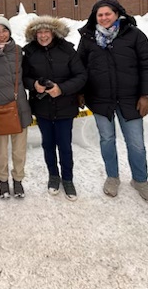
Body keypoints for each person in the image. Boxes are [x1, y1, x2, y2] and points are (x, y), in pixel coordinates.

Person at [77, 0, 148, 202]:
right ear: (95, 17)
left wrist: (147, 95)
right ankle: (112, 177)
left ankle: (140, 180)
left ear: (117, 14)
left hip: (131, 99)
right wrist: (80, 92)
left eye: (108, 14)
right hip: (100, 99)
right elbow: (80, 68)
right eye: (100, 15)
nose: (104, 18)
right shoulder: (88, 38)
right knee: (107, 139)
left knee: (136, 143)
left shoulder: (134, 35)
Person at [23, 15, 87, 200]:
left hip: (65, 106)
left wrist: (62, 89)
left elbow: (81, 76)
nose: (43, 36)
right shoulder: (30, 52)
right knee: (48, 144)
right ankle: (53, 176)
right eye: (39, 32)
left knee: (65, 145)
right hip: (42, 107)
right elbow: (23, 77)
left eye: (46, 31)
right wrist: (34, 84)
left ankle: (68, 179)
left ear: (54, 33)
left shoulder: (67, 50)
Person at [0, 17, 32, 199]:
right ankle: (3, 181)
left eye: (4, 30)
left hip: (19, 106)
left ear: (9, 32)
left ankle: (18, 180)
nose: (1, 34)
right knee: (1, 151)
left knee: (19, 150)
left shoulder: (18, 51)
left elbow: (28, 74)